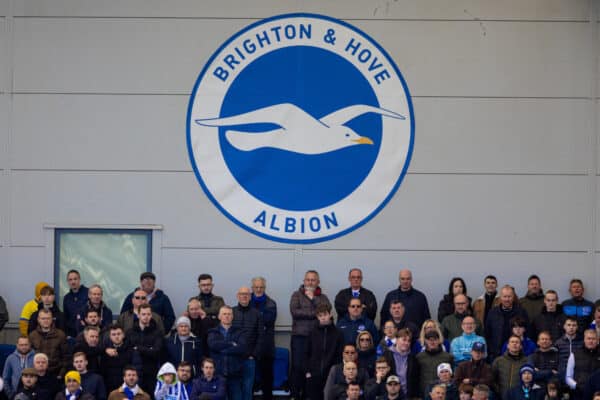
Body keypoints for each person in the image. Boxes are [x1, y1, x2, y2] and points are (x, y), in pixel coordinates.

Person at [290, 270, 332, 400]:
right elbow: (295, 312)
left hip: (317, 338)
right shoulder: (296, 295)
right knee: (297, 367)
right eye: (307, 279)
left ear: (318, 282)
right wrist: (315, 313)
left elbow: (326, 311)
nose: (310, 282)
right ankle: (295, 395)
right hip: (299, 337)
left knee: (313, 368)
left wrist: (313, 299)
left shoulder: (323, 297)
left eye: (313, 280)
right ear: (304, 281)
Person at [305, 303, 344, 400]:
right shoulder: (312, 333)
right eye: (320, 316)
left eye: (325, 315)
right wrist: (308, 371)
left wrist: (335, 371)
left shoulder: (338, 333)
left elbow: (339, 355)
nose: (323, 318)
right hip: (314, 374)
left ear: (330, 315)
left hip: (330, 374)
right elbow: (306, 353)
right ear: (317, 317)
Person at [207, 305, 246, 400]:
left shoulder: (240, 332)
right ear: (219, 316)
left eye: (229, 314)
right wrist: (232, 344)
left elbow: (242, 348)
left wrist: (222, 349)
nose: (227, 316)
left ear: (232, 316)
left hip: (235, 375)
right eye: (224, 314)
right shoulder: (213, 332)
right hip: (218, 375)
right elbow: (213, 345)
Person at [232, 286, 263, 400]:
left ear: (250, 296)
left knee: (248, 388)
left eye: (246, 294)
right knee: (235, 389)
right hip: (233, 359)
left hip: (249, 359)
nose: (244, 296)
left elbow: (261, 336)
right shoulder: (231, 312)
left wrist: (253, 355)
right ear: (237, 296)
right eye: (241, 294)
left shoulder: (257, 314)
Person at [126, 303, 164, 395]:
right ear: (138, 315)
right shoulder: (130, 332)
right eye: (143, 314)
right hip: (134, 374)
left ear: (151, 315)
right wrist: (148, 349)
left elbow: (156, 352)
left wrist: (138, 348)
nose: (146, 317)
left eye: (148, 314)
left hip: (151, 373)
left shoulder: (157, 332)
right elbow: (128, 351)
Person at [249, 276, 277, 400]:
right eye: (256, 287)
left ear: (265, 288)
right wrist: (260, 315)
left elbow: (268, 320)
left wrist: (254, 317)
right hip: (250, 344)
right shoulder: (246, 300)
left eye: (261, 287)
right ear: (252, 287)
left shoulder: (271, 303)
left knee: (267, 375)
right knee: (249, 375)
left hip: (266, 345)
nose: (259, 289)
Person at [485, 285, 529, 360]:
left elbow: (527, 331)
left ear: (513, 297)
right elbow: (487, 333)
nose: (507, 299)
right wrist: (491, 351)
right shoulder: (493, 312)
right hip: (496, 354)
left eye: (509, 296)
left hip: (517, 354)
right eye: (504, 296)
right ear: (500, 297)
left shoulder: (521, 312)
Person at [28, 309, 69, 378]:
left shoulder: (61, 335)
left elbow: (66, 358)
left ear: (52, 319)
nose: (46, 321)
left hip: (55, 373)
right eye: (43, 318)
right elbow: (29, 357)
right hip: (36, 374)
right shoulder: (32, 335)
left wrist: (61, 374)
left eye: (48, 318)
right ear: (38, 320)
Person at [100, 324, 141, 392]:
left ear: (123, 335)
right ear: (110, 336)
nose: (116, 336)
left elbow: (137, 370)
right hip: (110, 389)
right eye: (113, 334)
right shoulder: (106, 352)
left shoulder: (132, 351)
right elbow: (103, 372)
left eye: (119, 334)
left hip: (128, 388)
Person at [381, 329, 420, 400]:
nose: (406, 343)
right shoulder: (387, 355)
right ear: (396, 340)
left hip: (408, 396)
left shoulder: (413, 358)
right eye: (404, 340)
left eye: (409, 341)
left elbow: (415, 380)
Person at [416, 330, 454, 398]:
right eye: (429, 340)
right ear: (425, 341)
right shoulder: (419, 357)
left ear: (439, 340)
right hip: (424, 392)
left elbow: (451, 376)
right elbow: (416, 376)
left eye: (435, 339)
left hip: (442, 394)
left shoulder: (448, 357)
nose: (432, 342)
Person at [565, 329, 599, 400]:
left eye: (593, 339)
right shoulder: (574, 354)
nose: (591, 341)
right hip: (579, 392)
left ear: (598, 340)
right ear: (584, 339)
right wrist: (577, 386)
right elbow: (568, 377)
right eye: (588, 338)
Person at [555, 317, 583, 382]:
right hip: (562, 374)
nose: (571, 327)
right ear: (564, 326)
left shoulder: (582, 343)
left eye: (574, 325)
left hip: (578, 375)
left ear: (577, 327)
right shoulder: (558, 343)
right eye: (569, 325)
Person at [63, 270, 89, 338]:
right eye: (70, 280)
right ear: (67, 281)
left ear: (79, 279)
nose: (73, 282)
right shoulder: (66, 298)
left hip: (87, 333)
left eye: (75, 279)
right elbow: (66, 317)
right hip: (72, 334)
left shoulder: (88, 293)